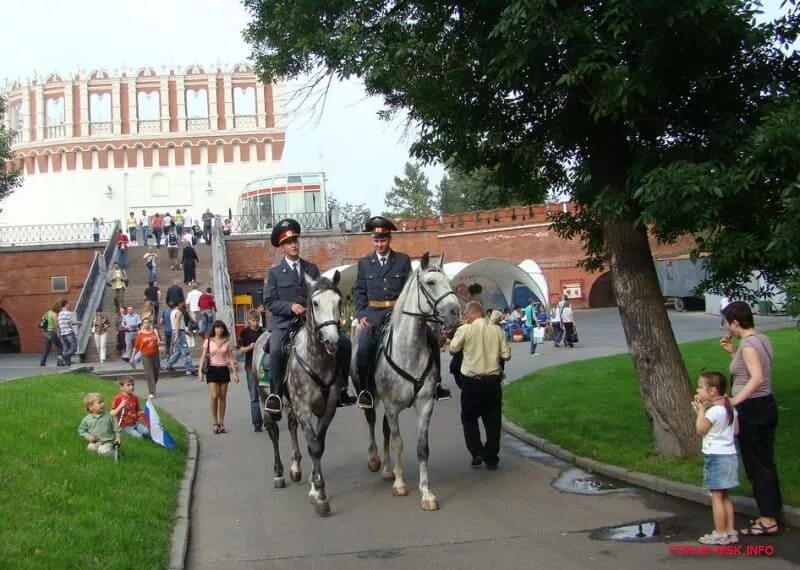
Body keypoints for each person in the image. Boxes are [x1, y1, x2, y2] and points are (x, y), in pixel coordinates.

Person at [352, 216, 450, 409]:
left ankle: (437, 383)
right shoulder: (364, 263)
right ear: (372, 240)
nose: (380, 244)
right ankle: (365, 390)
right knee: (363, 347)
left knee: (431, 339)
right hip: (374, 313)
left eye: (383, 239)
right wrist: (361, 315)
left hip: (401, 312)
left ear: (389, 239)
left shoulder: (402, 260)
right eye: (376, 240)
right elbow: (359, 291)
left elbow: (411, 288)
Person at [263, 218, 354, 414]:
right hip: (284, 323)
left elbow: (320, 294)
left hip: (310, 322)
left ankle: (343, 389)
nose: (293, 245)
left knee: (344, 343)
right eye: (288, 242)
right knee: (277, 350)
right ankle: (275, 395)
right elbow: (269, 301)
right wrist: (291, 306)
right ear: (281, 247)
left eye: (295, 240)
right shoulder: (275, 273)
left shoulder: (311, 269)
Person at [720, 301, 782, 536]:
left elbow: (756, 378)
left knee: (757, 465)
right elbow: (755, 370)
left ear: (736, 322)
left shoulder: (748, 345)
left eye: (727, 323)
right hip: (765, 405)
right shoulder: (761, 339)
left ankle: (767, 519)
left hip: (753, 408)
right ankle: (771, 512)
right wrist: (731, 352)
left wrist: (735, 401)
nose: (727, 328)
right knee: (765, 461)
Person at [449, 301, 511, 470]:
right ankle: (491, 457)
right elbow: (506, 354)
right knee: (492, 421)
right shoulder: (497, 330)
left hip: (471, 382)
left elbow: (453, 349)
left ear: (469, 315)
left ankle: (476, 452)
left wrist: (462, 331)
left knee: (469, 419)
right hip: (492, 381)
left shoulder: (465, 329)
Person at [692, 371, 739, 545]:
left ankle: (719, 532)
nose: (697, 390)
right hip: (730, 456)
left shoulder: (714, 412)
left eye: (700, 386)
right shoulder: (729, 408)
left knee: (716, 497)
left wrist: (700, 411)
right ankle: (730, 531)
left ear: (712, 391)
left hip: (716, 457)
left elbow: (700, 429)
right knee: (725, 496)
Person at [199, 320, 240, 434]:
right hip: (212, 370)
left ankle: (221, 423)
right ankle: (214, 422)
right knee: (214, 395)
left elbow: (230, 358)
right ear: (214, 329)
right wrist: (200, 371)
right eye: (217, 327)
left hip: (223, 370)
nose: (219, 329)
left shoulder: (226, 342)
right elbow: (203, 356)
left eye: (221, 328)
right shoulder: (208, 341)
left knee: (222, 397)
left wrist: (235, 374)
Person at [238, 310, 265, 432]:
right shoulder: (245, 333)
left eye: (257, 321)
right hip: (250, 366)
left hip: (263, 366)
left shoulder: (263, 332)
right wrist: (250, 347)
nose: (255, 323)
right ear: (249, 321)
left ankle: (269, 419)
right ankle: (257, 422)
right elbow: (241, 350)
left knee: (265, 393)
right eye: (253, 321)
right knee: (254, 396)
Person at [130, 317, 161, 397]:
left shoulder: (154, 332)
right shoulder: (140, 335)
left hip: (156, 354)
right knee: (149, 373)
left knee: (156, 372)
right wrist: (132, 358)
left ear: (150, 323)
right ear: (143, 324)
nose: (146, 324)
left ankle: (153, 384)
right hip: (146, 355)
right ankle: (152, 392)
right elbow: (136, 347)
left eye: (148, 322)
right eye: (145, 322)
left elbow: (159, 341)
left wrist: (161, 345)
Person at [165, 301, 197, 375]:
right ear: (178, 304)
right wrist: (177, 334)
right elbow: (177, 322)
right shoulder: (179, 312)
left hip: (175, 331)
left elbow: (176, 323)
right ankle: (190, 368)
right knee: (185, 351)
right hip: (179, 332)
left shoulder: (172, 312)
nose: (183, 305)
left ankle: (169, 364)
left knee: (178, 351)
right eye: (182, 303)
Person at [39, 301, 64, 366]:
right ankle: (59, 362)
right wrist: (59, 331)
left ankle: (42, 362)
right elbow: (56, 325)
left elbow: (42, 321)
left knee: (47, 349)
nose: (60, 310)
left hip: (46, 332)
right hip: (51, 332)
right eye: (60, 309)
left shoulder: (46, 313)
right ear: (57, 308)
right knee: (60, 346)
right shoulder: (54, 314)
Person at [57, 299, 80, 366]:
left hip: (62, 333)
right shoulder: (68, 313)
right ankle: (62, 357)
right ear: (66, 304)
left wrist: (59, 333)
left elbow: (59, 324)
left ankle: (67, 363)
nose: (69, 305)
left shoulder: (59, 314)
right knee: (74, 348)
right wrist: (78, 323)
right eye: (68, 304)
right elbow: (70, 323)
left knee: (67, 348)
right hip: (69, 333)